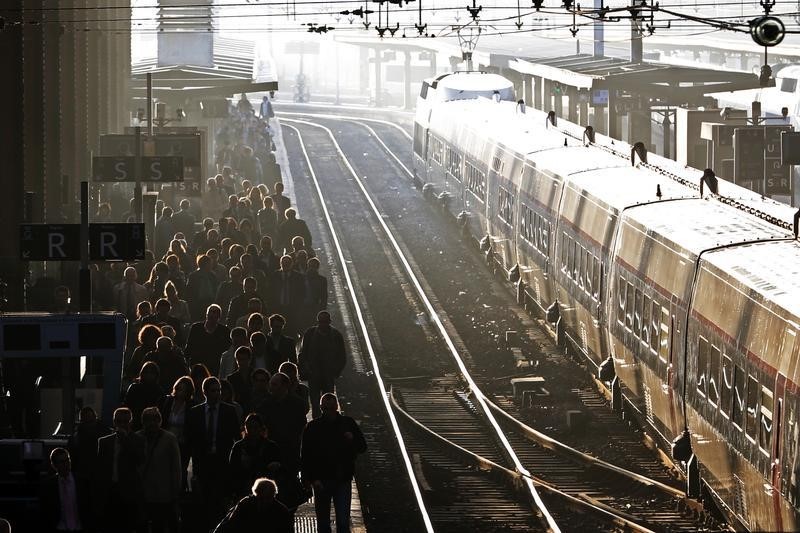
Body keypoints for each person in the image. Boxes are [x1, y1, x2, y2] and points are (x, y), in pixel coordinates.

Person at [301, 393, 367, 533]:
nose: (329, 411)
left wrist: (352, 439)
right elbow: (306, 455)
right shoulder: (314, 427)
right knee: (326, 523)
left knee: (340, 522)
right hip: (324, 479)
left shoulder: (317, 426)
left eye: (331, 408)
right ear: (321, 408)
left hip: (340, 478)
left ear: (336, 407)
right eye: (326, 408)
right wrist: (310, 478)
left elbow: (362, 447)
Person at [186, 377, 241, 530]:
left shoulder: (228, 411)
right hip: (202, 463)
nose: (217, 394)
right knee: (203, 502)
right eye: (213, 391)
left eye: (219, 391)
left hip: (222, 462)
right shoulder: (195, 413)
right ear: (205, 392)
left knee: (219, 501)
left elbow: (236, 437)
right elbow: (190, 441)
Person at [96, 408, 146, 533]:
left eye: (125, 421)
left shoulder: (138, 440)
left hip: (128, 493)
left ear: (131, 422)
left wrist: (126, 441)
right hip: (109, 491)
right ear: (114, 422)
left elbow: (139, 460)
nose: (122, 424)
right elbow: (100, 469)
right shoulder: (104, 442)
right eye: (119, 421)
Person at [255, 373, 307, 480]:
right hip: (271, 452)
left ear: (284, 386)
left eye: (274, 384)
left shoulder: (297, 404)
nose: (271, 388)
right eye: (271, 384)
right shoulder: (265, 405)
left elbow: (301, 428)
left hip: (290, 452)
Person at [138, 407, 182, 533]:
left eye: (155, 419)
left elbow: (176, 468)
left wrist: (175, 491)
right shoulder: (137, 438)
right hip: (144, 493)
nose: (152, 423)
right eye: (148, 420)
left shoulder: (169, 439)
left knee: (159, 526)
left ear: (160, 421)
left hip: (163, 494)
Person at [298, 311, 347, 418]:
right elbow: (303, 353)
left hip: (328, 375)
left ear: (329, 322)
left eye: (325, 322)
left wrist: (336, 371)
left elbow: (342, 356)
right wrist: (306, 369)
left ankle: (327, 421)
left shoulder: (336, 335)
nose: (323, 324)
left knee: (328, 403)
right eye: (321, 322)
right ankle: (318, 422)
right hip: (314, 375)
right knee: (315, 404)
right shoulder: (310, 333)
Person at [228, 414, 282, 499]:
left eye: (255, 427)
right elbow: (232, 469)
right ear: (245, 428)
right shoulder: (238, 447)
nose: (252, 430)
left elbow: (280, 467)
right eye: (249, 427)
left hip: (265, 490)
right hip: (243, 489)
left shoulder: (271, 447)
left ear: (261, 428)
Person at [39, 448, 90, 533]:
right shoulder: (48, 486)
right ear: (54, 465)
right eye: (62, 462)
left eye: (67, 460)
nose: (66, 464)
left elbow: (88, 507)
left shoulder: (82, 482)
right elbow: (45, 512)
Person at [214, 478, 291, 533]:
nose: (264, 502)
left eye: (267, 498)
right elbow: (228, 525)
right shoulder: (245, 504)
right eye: (261, 498)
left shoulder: (281, 511)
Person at [159, 376, 195, 488]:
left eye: (184, 390)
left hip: (182, 444)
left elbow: (191, 427)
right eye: (179, 388)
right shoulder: (168, 401)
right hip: (165, 441)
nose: (180, 392)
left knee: (179, 470)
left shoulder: (191, 406)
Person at [184, 304, 231, 376]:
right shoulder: (196, 328)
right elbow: (189, 346)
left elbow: (227, 350)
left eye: (215, 312)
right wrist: (186, 363)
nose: (212, 314)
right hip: (197, 365)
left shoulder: (224, 331)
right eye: (211, 312)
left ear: (219, 316)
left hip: (216, 367)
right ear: (207, 314)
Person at [124, 362, 164, 432]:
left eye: (151, 373)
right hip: (135, 422)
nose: (148, 375)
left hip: (151, 424)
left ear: (156, 375)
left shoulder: (158, 390)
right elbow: (127, 405)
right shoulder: (134, 387)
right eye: (146, 372)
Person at [185, 255, 219, 322]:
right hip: (198, 305)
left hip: (210, 303)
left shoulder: (213, 276)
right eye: (209, 264)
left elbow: (216, 290)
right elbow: (189, 293)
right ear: (203, 264)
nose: (211, 266)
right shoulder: (193, 277)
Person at [227, 346, 254, 413]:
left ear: (249, 359)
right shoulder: (231, 378)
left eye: (244, 359)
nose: (241, 362)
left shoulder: (256, 376)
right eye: (239, 359)